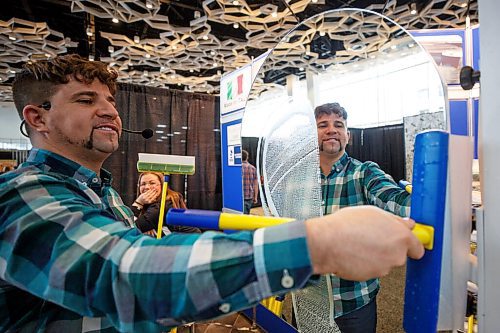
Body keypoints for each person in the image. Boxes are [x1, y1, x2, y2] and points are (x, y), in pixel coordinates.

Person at [0, 55, 423, 333]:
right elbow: (129, 274)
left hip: (353, 298)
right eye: (86, 99)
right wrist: (316, 246)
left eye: (110, 99)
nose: (110, 110)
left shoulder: (100, 194)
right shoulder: (25, 194)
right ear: (37, 117)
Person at [315, 102, 412, 333]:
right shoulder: (297, 181)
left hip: (354, 302)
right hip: (309, 300)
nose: (331, 129)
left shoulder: (365, 172)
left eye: (338, 125)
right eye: (322, 125)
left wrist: (427, 202)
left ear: (347, 135)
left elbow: (394, 200)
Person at [131, 171, 200, 236]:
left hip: (191, 244)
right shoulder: (165, 201)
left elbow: (130, 228)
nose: (147, 187)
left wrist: (138, 203)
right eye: (143, 184)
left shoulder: (162, 205)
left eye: (152, 183)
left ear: (162, 186)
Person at [241, 149, 258, 214]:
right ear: (247, 157)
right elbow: (256, 184)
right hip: (249, 196)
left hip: (240, 196)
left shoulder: (238, 168)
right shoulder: (253, 168)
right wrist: (255, 197)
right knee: (246, 215)